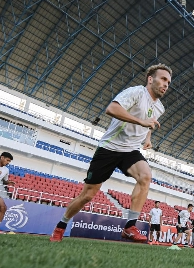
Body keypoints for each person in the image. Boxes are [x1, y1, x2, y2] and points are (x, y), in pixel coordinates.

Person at [49, 63, 172, 242]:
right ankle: (61, 225)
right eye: (163, 79)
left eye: (168, 82)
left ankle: (130, 227)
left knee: (145, 176)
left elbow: (150, 122)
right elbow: (112, 109)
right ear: (150, 79)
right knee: (88, 195)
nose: (166, 84)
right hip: (109, 148)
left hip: (130, 150)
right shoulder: (136, 93)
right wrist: (141, 122)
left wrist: (147, 138)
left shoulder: (160, 107)